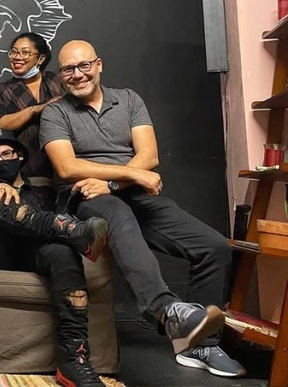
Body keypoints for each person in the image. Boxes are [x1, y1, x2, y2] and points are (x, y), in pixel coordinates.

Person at [40, 39, 244, 378]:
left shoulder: (129, 99)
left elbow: (149, 156)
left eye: (84, 66)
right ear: (60, 75)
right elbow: (67, 168)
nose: (77, 75)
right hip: (85, 198)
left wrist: (115, 183)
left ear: (99, 64)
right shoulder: (55, 112)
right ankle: (166, 310)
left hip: (128, 191)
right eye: (68, 70)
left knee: (213, 246)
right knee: (118, 215)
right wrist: (128, 176)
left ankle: (200, 345)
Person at [0, 129, 111, 387]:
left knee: (62, 252)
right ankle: (73, 230)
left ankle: (73, 360)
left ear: (19, 156)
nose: (1, 160)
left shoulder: (45, 193)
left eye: (6, 153)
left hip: (31, 255)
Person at [0, 32, 64, 186]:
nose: (17, 57)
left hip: (62, 166)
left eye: (25, 52)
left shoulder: (57, 82)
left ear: (41, 58)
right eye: (14, 52)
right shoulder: (1, 90)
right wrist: (35, 110)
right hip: (23, 172)